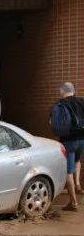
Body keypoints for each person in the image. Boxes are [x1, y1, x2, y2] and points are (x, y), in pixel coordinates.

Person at [50, 82, 84, 211]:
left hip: (68, 141)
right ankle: (77, 183)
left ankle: (73, 203)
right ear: (74, 91)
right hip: (82, 139)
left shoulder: (60, 104)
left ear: (62, 92)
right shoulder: (82, 101)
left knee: (68, 171)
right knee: (77, 160)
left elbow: (52, 122)